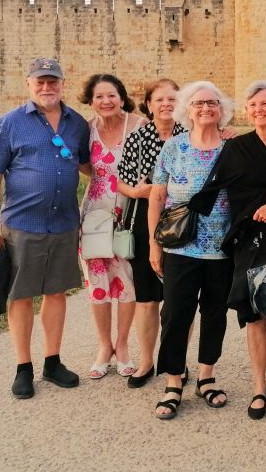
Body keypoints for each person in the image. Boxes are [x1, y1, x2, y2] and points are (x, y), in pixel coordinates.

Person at [0, 57, 90, 399]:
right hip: (22, 224)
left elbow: (88, 164)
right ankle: (23, 368)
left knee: (56, 292)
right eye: (40, 82)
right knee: (21, 295)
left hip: (64, 223)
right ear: (28, 84)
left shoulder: (77, 124)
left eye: (52, 81)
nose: (47, 87)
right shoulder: (10, 123)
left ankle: (53, 362)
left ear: (62, 84)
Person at [198, 81, 266, 419]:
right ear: (247, 110)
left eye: (264, 104)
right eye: (253, 105)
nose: (258, 110)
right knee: (255, 315)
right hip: (251, 238)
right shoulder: (238, 147)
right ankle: (259, 386)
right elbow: (228, 193)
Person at [147, 81, 234, 420]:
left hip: (222, 248)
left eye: (212, 102)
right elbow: (157, 196)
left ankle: (207, 376)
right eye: (198, 103)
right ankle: (173, 381)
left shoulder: (233, 147)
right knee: (174, 314)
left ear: (221, 109)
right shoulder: (174, 147)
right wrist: (154, 245)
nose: (205, 108)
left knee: (214, 313)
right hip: (181, 246)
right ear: (187, 109)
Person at [77, 74, 145, 379]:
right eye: (99, 97)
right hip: (94, 213)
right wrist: (102, 182)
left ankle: (123, 345)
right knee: (98, 281)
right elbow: (85, 166)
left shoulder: (139, 125)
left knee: (127, 278)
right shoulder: (87, 130)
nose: (106, 102)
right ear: (91, 101)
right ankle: (104, 346)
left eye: (111, 95)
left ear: (122, 97)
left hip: (129, 212)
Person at [116, 79, 182, 388]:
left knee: (178, 298)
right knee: (146, 298)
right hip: (145, 218)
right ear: (150, 105)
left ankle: (176, 361)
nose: (167, 104)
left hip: (184, 219)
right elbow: (122, 183)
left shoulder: (191, 134)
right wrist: (142, 191)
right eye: (160, 99)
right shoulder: (137, 139)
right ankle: (146, 360)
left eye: (173, 98)